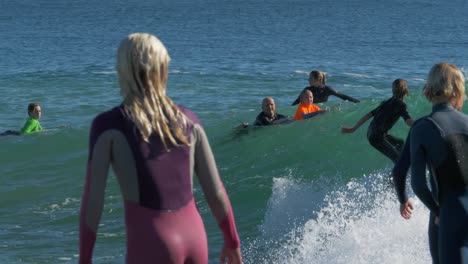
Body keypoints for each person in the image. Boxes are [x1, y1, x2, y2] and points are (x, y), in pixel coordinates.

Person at [79, 33, 242, 264]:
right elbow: (215, 191)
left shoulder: (108, 126)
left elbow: (93, 201)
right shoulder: (190, 121)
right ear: (163, 70)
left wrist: (85, 258)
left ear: (122, 70)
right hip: (195, 237)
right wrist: (232, 240)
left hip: (151, 241)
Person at [409, 62, 467, 264]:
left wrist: (437, 210)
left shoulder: (423, 127)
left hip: (452, 215)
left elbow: (417, 183)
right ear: (458, 90)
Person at [341, 79, 414, 163]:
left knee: (400, 143)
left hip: (371, 133)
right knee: (397, 159)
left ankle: (403, 165)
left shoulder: (386, 102)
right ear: (405, 90)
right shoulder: (401, 105)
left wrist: (353, 129)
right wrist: (421, 123)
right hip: (378, 136)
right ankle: (399, 171)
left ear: (393, 90)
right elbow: (408, 121)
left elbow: (368, 115)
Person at [291, 70, 360, 105]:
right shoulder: (307, 90)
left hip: (320, 110)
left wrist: (357, 102)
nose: (309, 80)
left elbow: (342, 96)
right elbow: (297, 101)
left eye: (311, 78)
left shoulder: (327, 89)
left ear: (318, 80)